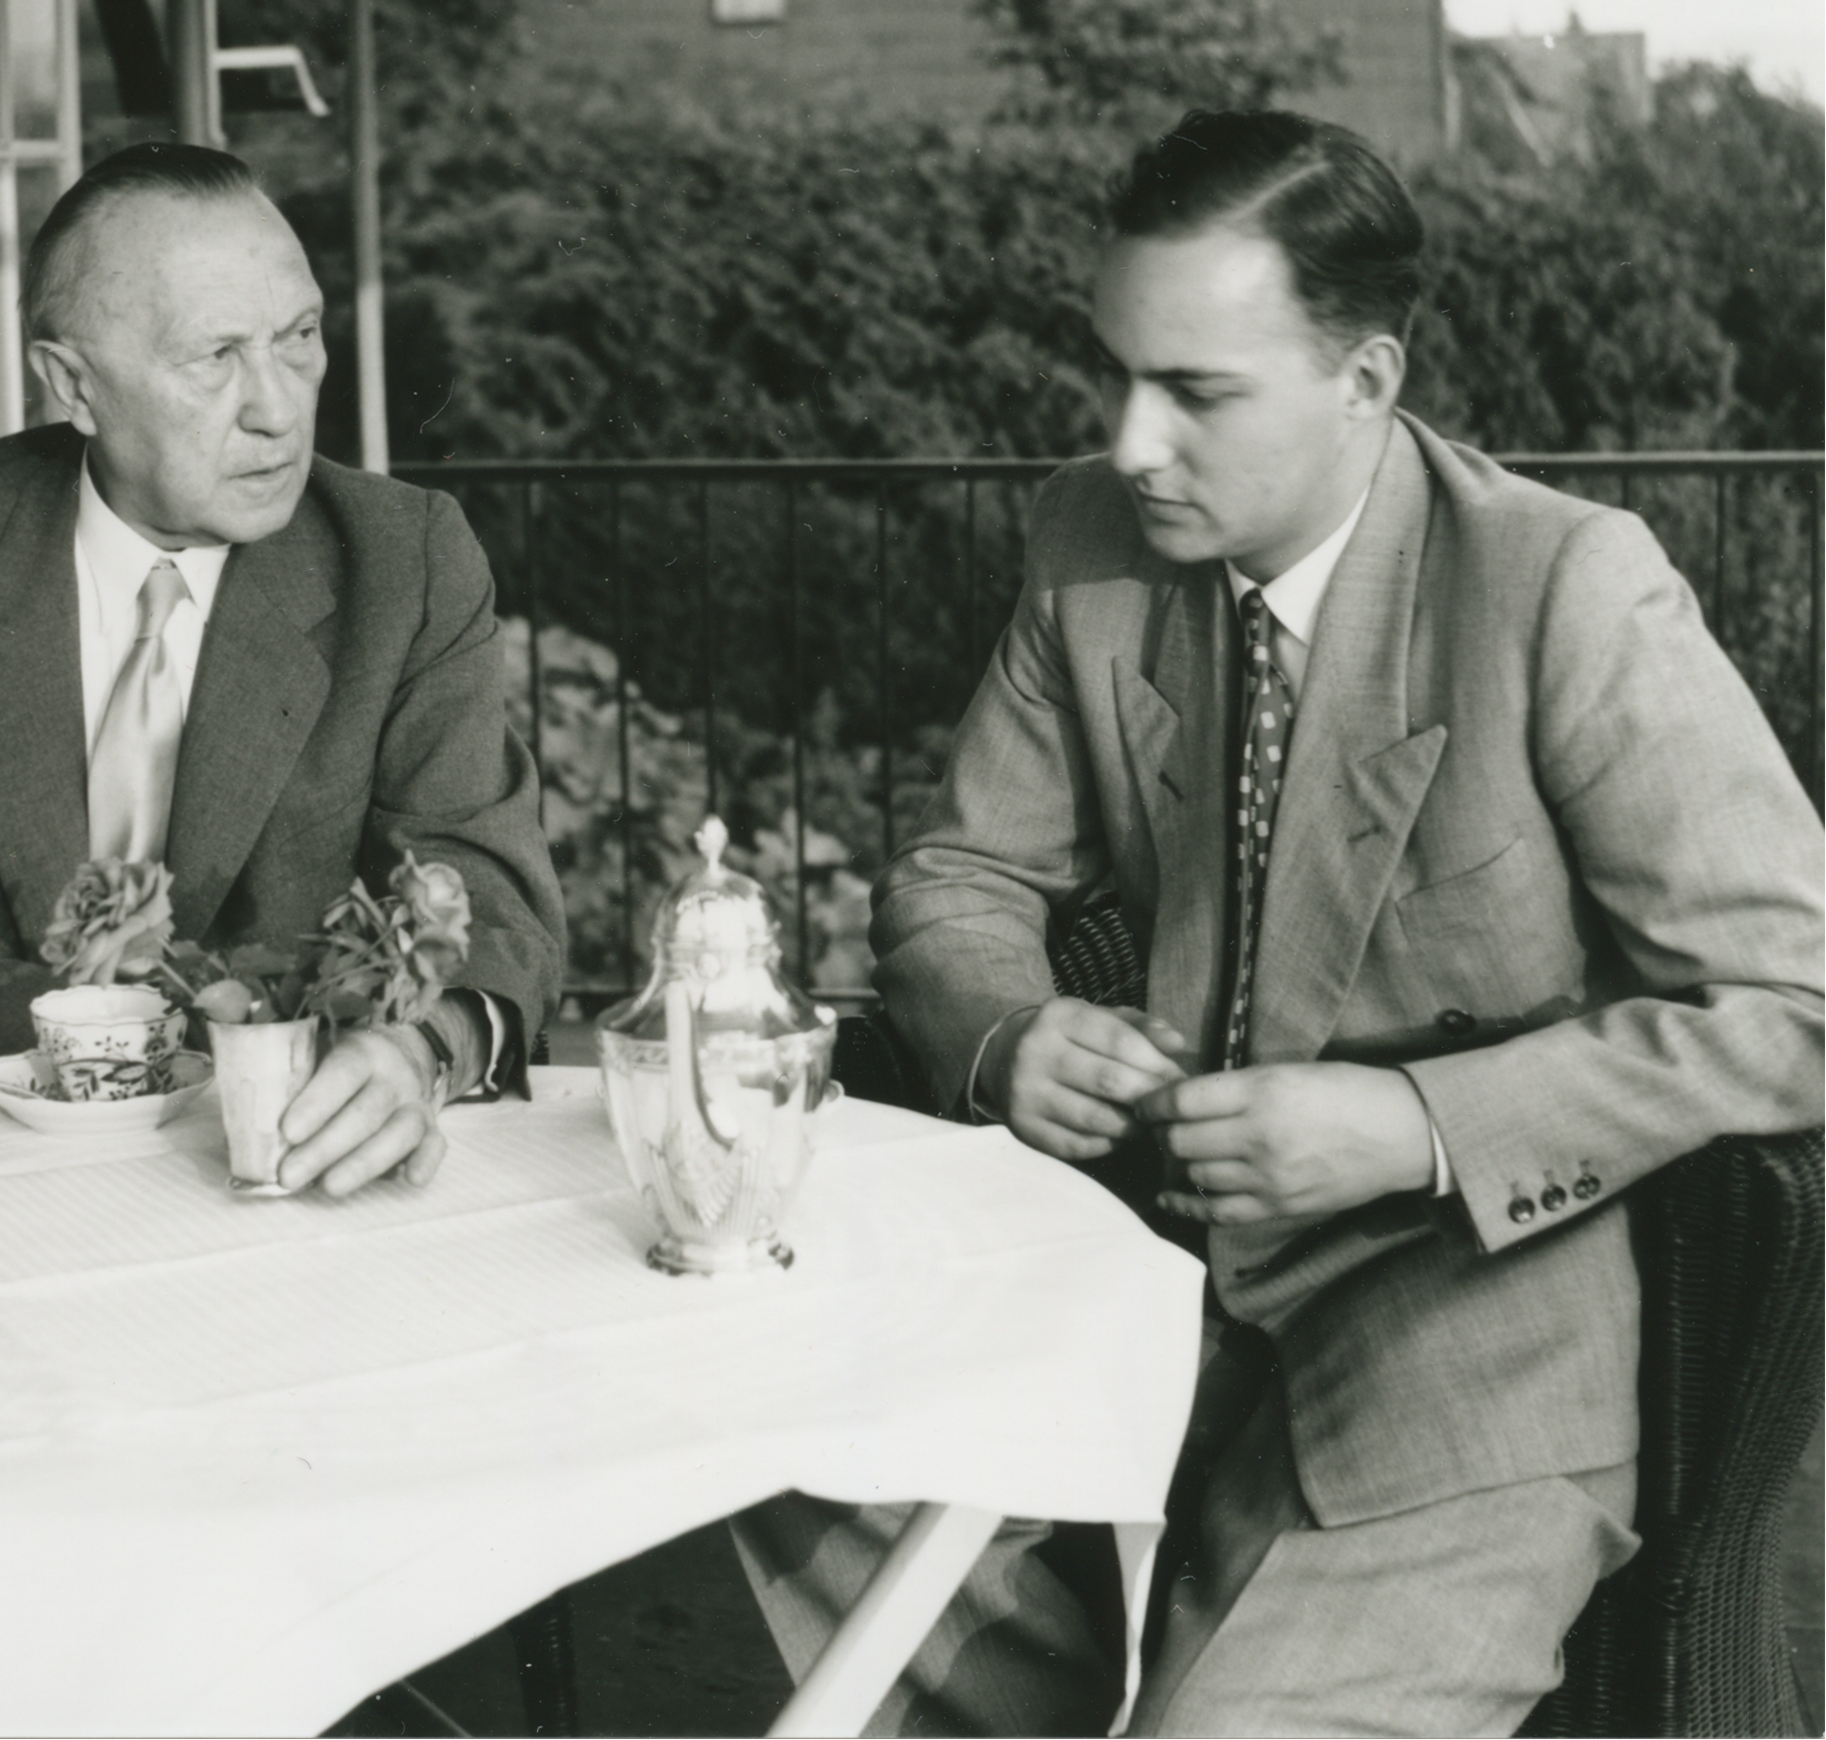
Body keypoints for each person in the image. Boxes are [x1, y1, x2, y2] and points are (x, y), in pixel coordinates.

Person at [755, 110, 1822, 1735]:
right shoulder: (1086, 543)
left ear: (1367, 383)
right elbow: (963, 878)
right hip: (1130, 1283)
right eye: (1111, 372)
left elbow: (1797, 994)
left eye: (1193, 392)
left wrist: (1415, 1121)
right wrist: (1003, 1031)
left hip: (1467, 1338)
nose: (1126, 442)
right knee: (774, 1449)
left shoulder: (1565, 587)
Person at [0, 143, 564, 1198]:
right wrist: (92, 1035)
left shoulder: (404, 560)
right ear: (73, 385)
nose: (278, 406)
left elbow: (489, 892)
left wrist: (423, 1048)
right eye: (214, 356)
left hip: (295, 1178)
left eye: (299, 336)